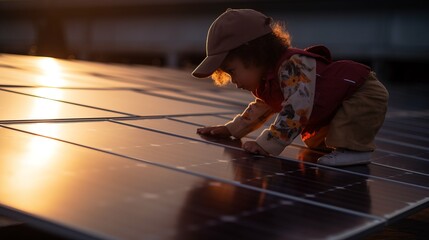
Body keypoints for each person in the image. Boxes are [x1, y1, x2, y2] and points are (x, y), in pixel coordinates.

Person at [192, 8, 389, 166]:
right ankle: (346, 148)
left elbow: (297, 107)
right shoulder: (270, 82)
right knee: (316, 142)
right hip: (337, 103)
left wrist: (267, 144)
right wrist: (231, 129)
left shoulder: (293, 65)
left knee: (345, 134)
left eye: (232, 71)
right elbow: (261, 108)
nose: (233, 81)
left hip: (361, 91)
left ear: (254, 55)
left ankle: (356, 151)